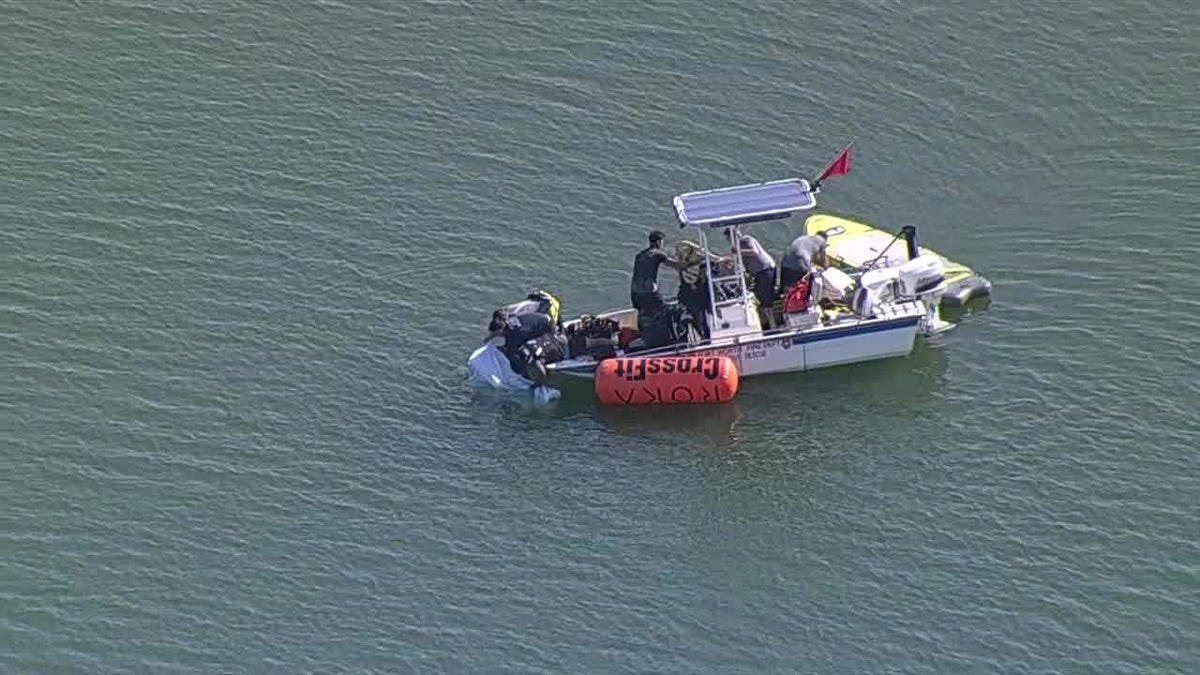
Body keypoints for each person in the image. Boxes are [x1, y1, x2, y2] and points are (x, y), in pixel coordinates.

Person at [483, 309, 564, 385]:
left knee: (521, 357)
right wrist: (489, 338)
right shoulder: (510, 319)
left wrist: (505, 351)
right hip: (544, 319)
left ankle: (532, 378)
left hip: (549, 329)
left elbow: (512, 353)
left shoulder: (515, 335)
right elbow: (501, 332)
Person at [724, 228, 777, 327]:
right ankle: (765, 323)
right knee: (757, 295)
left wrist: (738, 251)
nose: (729, 241)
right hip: (759, 273)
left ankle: (773, 325)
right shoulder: (739, 246)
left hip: (765, 269)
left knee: (765, 297)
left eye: (729, 238)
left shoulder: (745, 239)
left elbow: (754, 252)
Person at [630, 230, 690, 315]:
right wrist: (690, 261)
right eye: (662, 242)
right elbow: (677, 266)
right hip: (649, 294)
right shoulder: (658, 253)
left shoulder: (639, 256)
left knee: (645, 314)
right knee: (665, 311)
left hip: (635, 295)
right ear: (659, 242)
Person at [674, 239, 725, 339]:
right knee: (698, 317)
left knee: (703, 317)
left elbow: (713, 260)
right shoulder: (683, 263)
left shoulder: (698, 260)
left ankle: (706, 334)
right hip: (690, 293)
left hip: (696, 292)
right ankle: (703, 335)